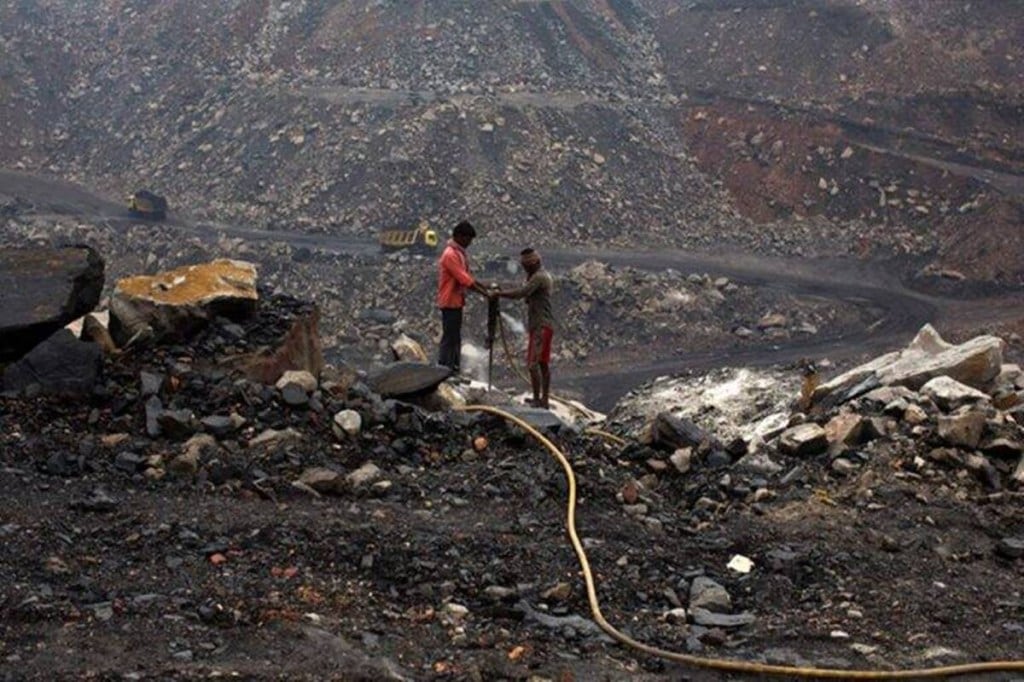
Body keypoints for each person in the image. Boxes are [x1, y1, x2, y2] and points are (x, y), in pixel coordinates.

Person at [493, 248, 555, 408]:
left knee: (533, 364)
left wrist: (500, 294)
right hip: (541, 324)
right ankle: (543, 400)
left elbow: (521, 293)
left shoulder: (539, 277)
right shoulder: (538, 276)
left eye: (526, 266)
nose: (524, 269)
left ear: (533, 263)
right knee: (542, 364)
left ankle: (538, 399)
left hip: (541, 325)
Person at [437, 220, 488, 372]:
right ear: (459, 236)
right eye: (468, 239)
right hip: (449, 301)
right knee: (450, 337)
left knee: (454, 336)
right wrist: (484, 293)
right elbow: (463, 278)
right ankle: (445, 368)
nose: (469, 243)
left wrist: (484, 288)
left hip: (456, 301)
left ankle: (453, 367)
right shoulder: (450, 255)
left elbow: (467, 276)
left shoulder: (458, 253)